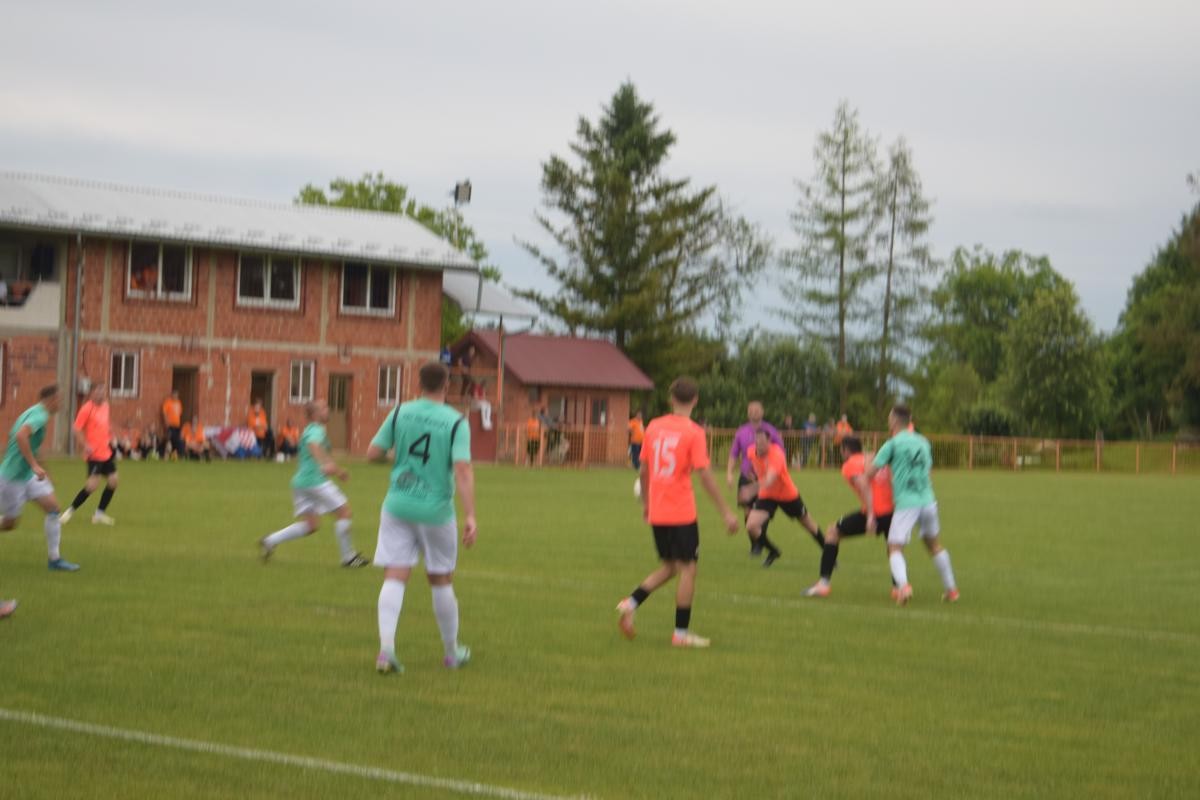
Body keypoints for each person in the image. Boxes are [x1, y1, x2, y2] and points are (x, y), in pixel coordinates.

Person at [367, 362, 476, 674]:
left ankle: (386, 650)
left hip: (397, 505)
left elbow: (373, 453)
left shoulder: (400, 412)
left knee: (394, 575)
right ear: (447, 385)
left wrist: (398, 459)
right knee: (440, 578)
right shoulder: (456, 422)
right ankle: (451, 652)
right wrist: (470, 515)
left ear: (419, 384)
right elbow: (462, 469)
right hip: (435, 511)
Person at [616, 377, 740, 648]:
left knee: (671, 567)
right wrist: (726, 512)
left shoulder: (654, 427)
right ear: (695, 400)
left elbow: (644, 469)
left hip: (658, 510)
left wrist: (647, 504)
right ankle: (680, 635)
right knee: (688, 569)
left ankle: (631, 602)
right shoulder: (694, 432)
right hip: (681, 512)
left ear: (671, 399)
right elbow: (704, 475)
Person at [865, 404, 959, 605]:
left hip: (907, 503)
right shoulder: (923, 442)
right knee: (934, 545)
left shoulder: (892, 444)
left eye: (889, 417)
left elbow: (869, 473)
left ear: (893, 420)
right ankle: (952, 590)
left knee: (894, 547)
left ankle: (904, 587)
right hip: (928, 500)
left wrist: (869, 460)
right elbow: (928, 470)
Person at [257, 400, 369, 568]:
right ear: (315, 414)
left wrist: (337, 470)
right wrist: (326, 465)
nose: (328, 409)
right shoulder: (316, 430)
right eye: (324, 408)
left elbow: (317, 450)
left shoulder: (310, 429)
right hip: (315, 482)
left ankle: (270, 540)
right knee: (344, 512)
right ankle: (348, 558)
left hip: (300, 483)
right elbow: (313, 445)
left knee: (311, 525)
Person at [0, 385, 79, 571]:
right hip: (12, 477)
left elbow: (32, 446)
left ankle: (54, 559)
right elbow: (21, 436)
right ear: (51, 399)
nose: (61, 403)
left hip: (28, 475)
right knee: (10, 524)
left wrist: (44, 470)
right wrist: (34, 465)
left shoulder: (35, 412)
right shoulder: (40, 416)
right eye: (60, 399)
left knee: (53, 508)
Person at [803, 436, 893, 597]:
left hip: (875, 512)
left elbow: (863, 484)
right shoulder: (874, 459)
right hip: (894, 511)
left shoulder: (850, 464)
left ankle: (823, 584)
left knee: (832, 532)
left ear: (845, 450)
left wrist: (871, 515)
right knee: (894, 549)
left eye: (841, 449)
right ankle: (899, 588)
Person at [745, 429, 825, 568]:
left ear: (769, 442)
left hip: (787, 495)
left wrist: (750, 489)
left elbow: (770, 479)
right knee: (751, 526)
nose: (759, 445)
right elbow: (754, 466)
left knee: (808, 524)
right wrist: (752, 474)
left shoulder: (777, 455)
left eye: (762, 442)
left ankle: (829, 553)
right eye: (757, 441)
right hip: (767, 495)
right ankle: (773, 551)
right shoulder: (751, 451)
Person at [725, 401, 785, 556]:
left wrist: (775, 472)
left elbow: (780, 451)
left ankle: (760, 544)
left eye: (757, 410)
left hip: (764, 479)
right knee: (747, 512)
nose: (754, 412)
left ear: (762, 412)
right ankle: (754, 544)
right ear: (747, 413)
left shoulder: (770, 430)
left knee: (760, 512)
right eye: (751, 410)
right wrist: (729, 473)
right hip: (746, 477)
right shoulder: (741, 431)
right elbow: (733, 454)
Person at [60, 384, 119, 526]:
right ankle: (69, 512)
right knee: (92, 486)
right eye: (98, 391)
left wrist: (111, 435)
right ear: (92, 393)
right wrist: (85, 445)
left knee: (113, 481)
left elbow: (106, 424)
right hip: (94, 454)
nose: (101, 394)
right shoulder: (87, 408)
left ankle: (99, 514)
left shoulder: (105, 406)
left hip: (106, 452)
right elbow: (76, 429)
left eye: (103, 391)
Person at [162, 390, 183, 459]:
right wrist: (166, 423)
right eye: (174, 395)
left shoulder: (179, 402)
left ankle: (174, 455)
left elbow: (179, 413)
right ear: (172, 395)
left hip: (177, 425)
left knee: (176, 440)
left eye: (176, 395)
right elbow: (164, 413)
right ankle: (165, 455)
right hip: (170, 425)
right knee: (169, 439)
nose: (175, 396)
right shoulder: (168, 402)